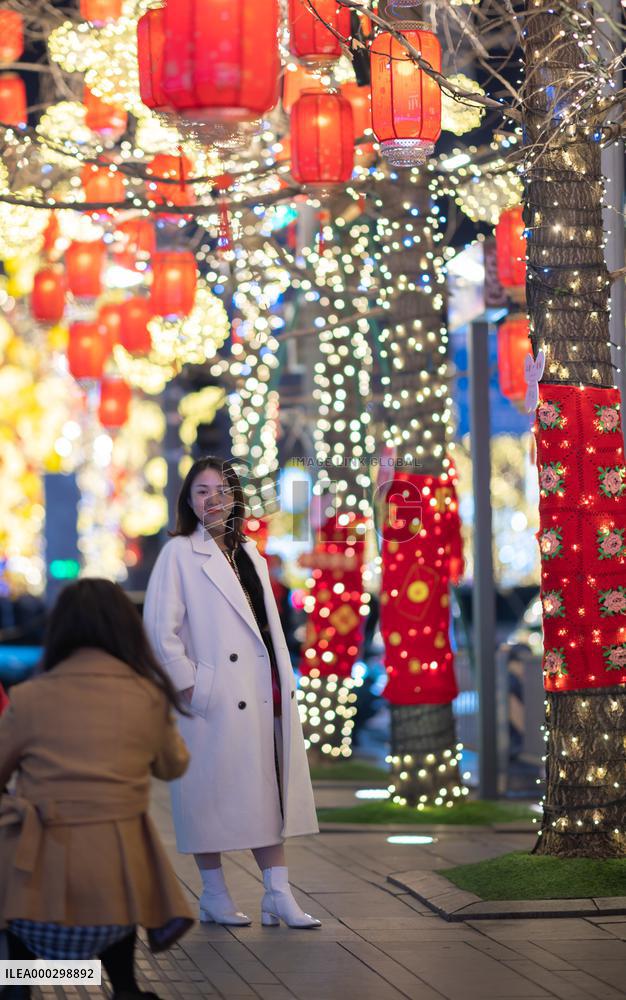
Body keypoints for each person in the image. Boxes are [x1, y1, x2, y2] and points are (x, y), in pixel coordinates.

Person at [143, 457, 320, 929]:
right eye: (201, 491)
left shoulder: (252, 554)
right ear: (188, 501)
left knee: (266, 795)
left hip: (262, 694)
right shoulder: (179, 553)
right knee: (207, 798)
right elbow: (161, 633)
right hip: (210, 702)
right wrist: (193, 688)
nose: (213, 500)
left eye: (222, 490)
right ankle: (215, 894)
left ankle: (278, 893)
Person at [0, 579, 194, 1000]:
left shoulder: (30, 697)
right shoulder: (149, 695)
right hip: (117, 905)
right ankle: (125, 986)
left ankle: (17, 987)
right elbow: (173, 765)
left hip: (31, 904)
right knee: (124, 837)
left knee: (14, 850)